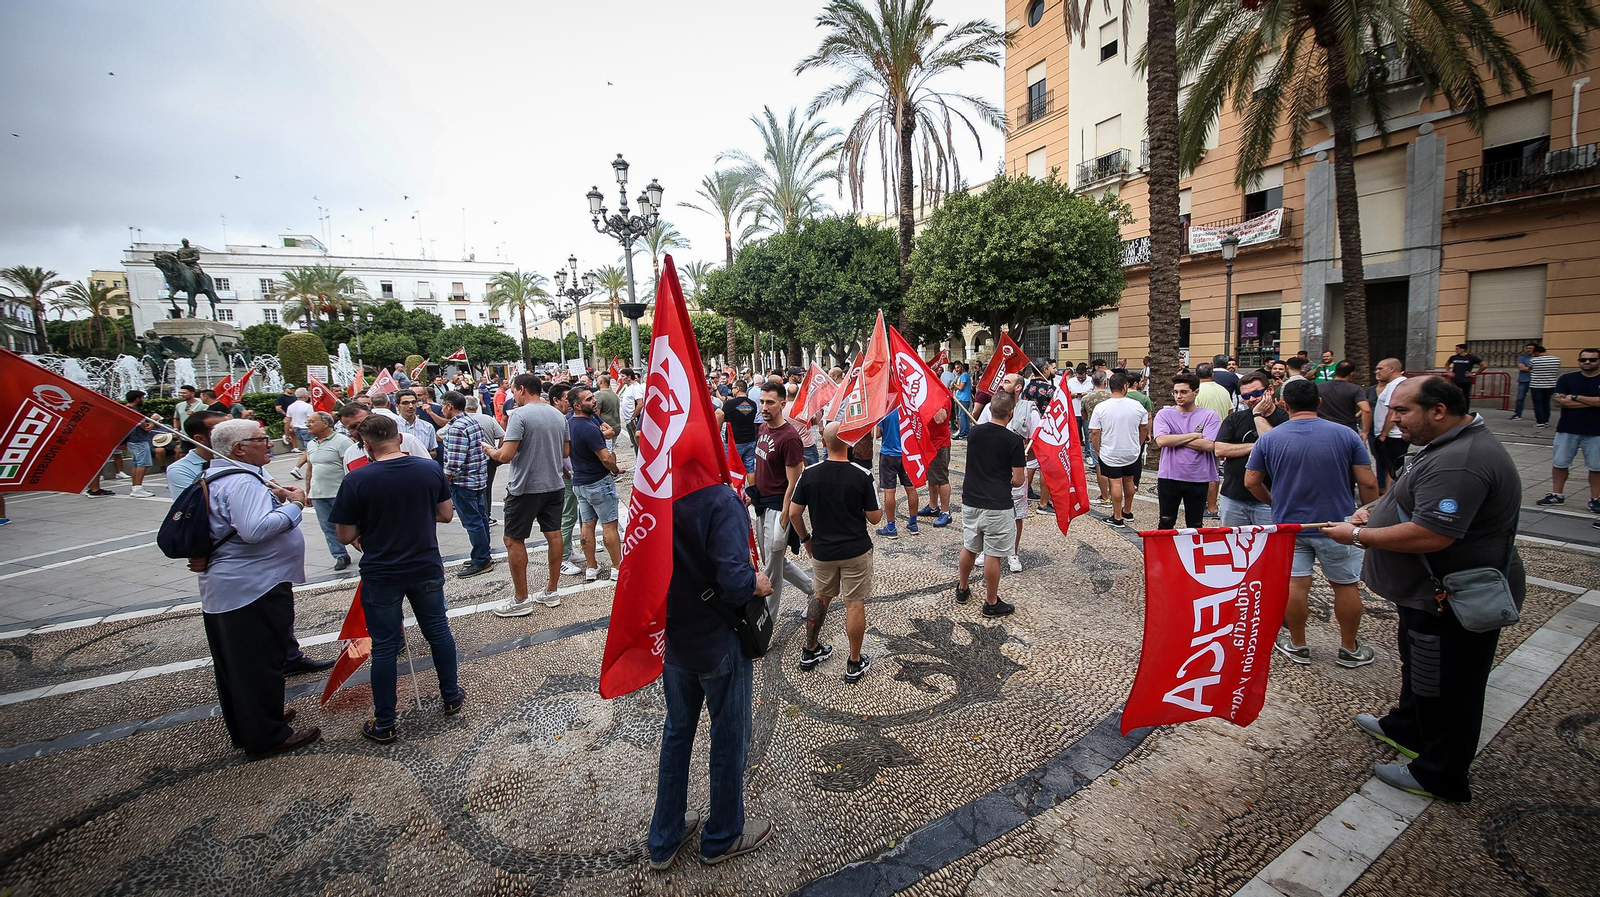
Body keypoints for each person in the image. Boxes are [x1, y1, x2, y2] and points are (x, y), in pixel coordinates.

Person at [1324, 376, 1523, 802]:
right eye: (1391, 410)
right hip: (1424, 595)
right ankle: (1408, 726)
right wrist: (1374, 509)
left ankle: (1441, 772)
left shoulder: (1462, 460)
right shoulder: (1445, 445)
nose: (1393, 421)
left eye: (1402, 411)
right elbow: (1412, 496)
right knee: (1422, 669)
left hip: (1452, 598)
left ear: (1438, 410)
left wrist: (1356, 537)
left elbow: (1433, 533)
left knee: (1452, 686)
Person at [646, 479, 775, 871]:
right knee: (728, 736)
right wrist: (758, 581)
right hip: (718, 644)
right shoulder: (720, 501)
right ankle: (722, 835)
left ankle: (664, 838)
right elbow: (736, 584)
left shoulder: (654, 496)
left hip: (675, 642)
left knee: (677, 733)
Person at [331, 414, 465, 742]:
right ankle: (450, 695)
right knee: (438, 631)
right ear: (400, 437)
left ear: (366, 445)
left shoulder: (357, 480)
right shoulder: (429, 468)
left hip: (382, 571)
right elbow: (446, 514)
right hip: (425, 565)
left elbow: (345, 534)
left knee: (386, 647)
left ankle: (386, 721)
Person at [193, 419, 321, 760]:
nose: (269, 443)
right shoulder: (240, 481)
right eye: (261, 439)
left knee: (238, 664)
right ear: (238, 448)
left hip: (233, 586)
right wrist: (294, 506)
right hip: (252, 587)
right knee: (261, 661)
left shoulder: (216, 476)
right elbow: (254, 530)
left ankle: (253, 722)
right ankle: (266, 734)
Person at [1246, 379, 1379, 667]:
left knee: (1295, 585)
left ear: (1285, 405)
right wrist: (1366, 512)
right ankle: (1349, 648)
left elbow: (1251, 481)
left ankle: (1298, 644)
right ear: (1319, 403)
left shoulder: (1270, 438)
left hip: (1290, 525)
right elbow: (1368, 481)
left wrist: (1273, 502)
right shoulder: (1346, 435)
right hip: (1339, 524)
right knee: (1345, 585)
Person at [788, 421, 883, 680]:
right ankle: (854, 662)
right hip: (855, 550)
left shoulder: (809, 474)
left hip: (823, 550)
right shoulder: (861, 475)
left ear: (823, 443)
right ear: (849, 444)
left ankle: (810, 650)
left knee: (821, 596)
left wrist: (806, 539)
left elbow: (794, 513)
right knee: (854, 604)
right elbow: (875, 518)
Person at [485, 374, 569, 614]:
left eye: (513, 392)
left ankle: (521, 600)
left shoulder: (519, 415)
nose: (512, 396)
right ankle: (552, 591)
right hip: (554, 485)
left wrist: (490, 450)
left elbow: (506, 455)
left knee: (513, 539)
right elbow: (565, 451)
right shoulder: (558, 414)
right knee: (554, 536)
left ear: (522, 389)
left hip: (525, 488)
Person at [956, 390, 1026, 617]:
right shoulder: (1014, 441)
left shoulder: (974, 433)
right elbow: (1018, 480)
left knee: (970, 546)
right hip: (998, 503)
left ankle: (963, 588)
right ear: (1011, 413)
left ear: (991, 410)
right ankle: (991, 602)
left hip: (972, 499)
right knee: (993, 554)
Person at [752, 381, 817, 612]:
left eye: (770, 402)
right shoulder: (762, 428)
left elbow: (795, 481)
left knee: (771, 568)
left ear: (783, 403)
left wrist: (786, 514)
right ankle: (813, 590)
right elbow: (761, 468)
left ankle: (766, 625)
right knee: (775, 561)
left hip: (778, 508)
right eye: (761, 402)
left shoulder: (789, 438)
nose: (764, 407)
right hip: (761, 505)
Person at [979, 372, 1039, 573]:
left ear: (1019, 387)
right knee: (987, 511)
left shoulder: (1030, 410)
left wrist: (1021, 456)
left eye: (1007, 381)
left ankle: (1013, 552)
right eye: (1002, 380)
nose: (1002, 384)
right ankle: (985, 550)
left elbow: (1035, 438)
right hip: (991, 471)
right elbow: (981, 432)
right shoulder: (990, 407)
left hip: (1015, 471)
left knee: (1016, 514)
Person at [1212, 372, 1288, 527]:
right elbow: (1220, 449)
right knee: (1233, 545)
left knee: (1269, 547)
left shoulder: (1285, 418)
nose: (1252, 399)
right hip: (1233, 497)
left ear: (1270, 390)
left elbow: (1275, 448)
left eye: (1257, 393)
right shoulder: (1235, 419)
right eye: (1246, 396)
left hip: (1270, 498)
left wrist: (1258, 415)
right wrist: (1256, 446)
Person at [568, 385, 624, 581]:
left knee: (587, 525)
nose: (594, 401)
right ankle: (617, 566)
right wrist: (616, 469)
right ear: (577, 405)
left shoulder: (571, 422)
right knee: (609, 525)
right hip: (598, 481)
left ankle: (591, 566)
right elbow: (606, 459)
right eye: (589, 399)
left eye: (592, 397)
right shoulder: (588, 428)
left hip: (580, 482)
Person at [1152, 374, 1221, 530]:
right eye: (1175, 392)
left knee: (1195, 524)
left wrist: (1175, 438)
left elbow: (1208, 445)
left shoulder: (1209, 416)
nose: (1178, 396)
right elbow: (1162, 441)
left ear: (1196, 392)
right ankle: (1165, 554)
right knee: (1166, 522)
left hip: (1198, 477)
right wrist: (1194, 435)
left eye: (1184, 392)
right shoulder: (1165, 414)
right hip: (1169, 476)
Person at [1538, 348, 1600, 510]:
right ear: (1579, 361)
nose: (1587, 362)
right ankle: (1557, 495)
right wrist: (1591, 402)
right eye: (1583, 360)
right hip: (1567, 428)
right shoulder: (1567, 379)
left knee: (1596, 466)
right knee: (1560, 463)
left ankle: (1595, 498)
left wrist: (1574, 397)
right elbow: (1558, 402)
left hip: (1596, 430)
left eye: (1592, 360)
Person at [440, 391, 494, 577]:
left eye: (443, 406)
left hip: (464, 482)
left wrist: (445, 479)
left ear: (449, 406)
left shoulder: (457, 427)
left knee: (473, 522)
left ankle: (481, 559)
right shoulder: (472, 421)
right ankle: (483, 555)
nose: (442, 410)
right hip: (478, 479)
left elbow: (454, 462)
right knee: (480, 519)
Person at [1088, 373, 1150, 528]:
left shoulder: (1101, 407)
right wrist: (1139, 444)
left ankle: (1117, 516)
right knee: (1129, 480)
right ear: (1125, 387)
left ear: (1109, 386)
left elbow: (1094, 432)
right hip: (1131, 450)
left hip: (1110, 451)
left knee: (1115, 482)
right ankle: (1127, 511)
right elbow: (1144, 428)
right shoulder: (1137, 406)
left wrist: (1097, 450)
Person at [302, 411, 355, 571]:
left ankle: (366, 548)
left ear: (325, 423)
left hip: (339, 492)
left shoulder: (342, 442)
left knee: (352, 524)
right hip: (319, 494)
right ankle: (339, 555)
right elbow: (310, 469)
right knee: (327, 527)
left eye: (312, 421)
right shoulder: (311, 444)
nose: (308, 425)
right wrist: (308, 491)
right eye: (308, 421)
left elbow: (350, 468)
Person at [337, 404, 431, 470]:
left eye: (363, 423)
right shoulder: (350, 454)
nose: (360, 429)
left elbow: (429, 472)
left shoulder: (408, 441)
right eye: (353, 427)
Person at [874, 407, 920, 538]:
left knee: (889, 490)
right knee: (911, 488)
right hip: (908, 453)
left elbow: (876, 434)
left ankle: (891, 526)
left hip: (888, 454)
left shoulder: (885, 408)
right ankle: (913, 523)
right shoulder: (909, 406)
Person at [463, 396, 506, 525]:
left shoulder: (461, 421)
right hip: (488, 458)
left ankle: (477, 515)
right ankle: (486, 515)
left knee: (470, 489)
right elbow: (502, 435)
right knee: (487, 487)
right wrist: (498, 451)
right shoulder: (487, 419)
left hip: (468, 460)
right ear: (477, 407)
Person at [165, 410, 230, 495]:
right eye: (224, 432)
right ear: (200, 439)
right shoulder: (181, 470)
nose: (234, 435)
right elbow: (194, 505)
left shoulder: (242, 457)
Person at [1371, 358, 1410, 495]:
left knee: (1392, 468)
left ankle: (1391, 496)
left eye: (1380, 368)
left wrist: (1383, 434)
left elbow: (1392, 411)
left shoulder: (1395, 385)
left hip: (1392, 436)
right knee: (1390, 467)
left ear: (1392, 369)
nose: (1377, 372)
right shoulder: (1394, 384)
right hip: (1390, 435)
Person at [915, 397, 955, 527]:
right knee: (932, 476)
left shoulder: (941, 397)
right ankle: (933, 506)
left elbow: (940, 418)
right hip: (928, 442)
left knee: (941, 477)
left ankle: (945, 511)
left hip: (939, 443)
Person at [120, 390, 159, 498]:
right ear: (137, 398)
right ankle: (137, 488)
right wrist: (153, 421)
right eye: (142, 398)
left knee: (136, 463)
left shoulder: (125, 409)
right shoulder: (134, 412)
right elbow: (146, 427)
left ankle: (136, 487)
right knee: (142, 464)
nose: (143, 400)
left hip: (132, 440)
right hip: (139, 440)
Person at [1317, 361, 1372, 435]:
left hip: (1323, 428)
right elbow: (1366, 410)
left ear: (1335, 371)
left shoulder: (1319, 387)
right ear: (1351, 374)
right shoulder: (1355, 389)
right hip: (1347, 429)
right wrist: (1365, 432)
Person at [718, 379, 760, 475]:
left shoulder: (729, 404)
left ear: (737, 389)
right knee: (750, 468)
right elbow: (745, 414)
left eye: (733, 388)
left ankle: (735, 490)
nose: (731, 391)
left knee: (733, 470)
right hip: (750, 439)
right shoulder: (753, 404)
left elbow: (722, 417)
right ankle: (751, 489)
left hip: (734, 442)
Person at [395, 390, 440, 460]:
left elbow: (433, 452)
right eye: (405, 403)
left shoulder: (428, 427)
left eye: (413, 402)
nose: (410, 406)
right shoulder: (391, 427)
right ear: (397, 406)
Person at [1527, 344, 1563, 428]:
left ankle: (1540, 422)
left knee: (1538, 403)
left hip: (1536, 385)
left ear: (1536, 352)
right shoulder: (1556, 359)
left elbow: (1530, 369)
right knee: (1546, 403)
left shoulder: (1534, 360)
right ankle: (1546, 420)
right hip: (1551, 384)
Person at [619, 369, 647, 452]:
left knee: (638, 442)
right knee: (634, 443)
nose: (621, 378)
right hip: (629, 420)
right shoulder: (628, 387)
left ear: (629, 377)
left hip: (634, 420)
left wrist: (633, 417)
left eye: (623, 376)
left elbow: (640, 404)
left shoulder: (636, 388)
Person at [594, 374, 622, 454]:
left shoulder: (599, 395)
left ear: (600, 382)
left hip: (606, 428)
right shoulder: (614, 394)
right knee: (611, 450)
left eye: (597, 381)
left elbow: (596, 414)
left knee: (607, 452)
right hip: (616, 426)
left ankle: (610, 466)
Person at [1511, 342, 1537, 420]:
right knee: (1520, 398)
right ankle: (1517, 414)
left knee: (1536, 399)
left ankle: (1539, 416)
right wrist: (1532, 369)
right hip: (1523, 380)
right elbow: (1521, 368)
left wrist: (1528, 368)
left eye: (1531, 348)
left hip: (1536, 380)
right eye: (1527, 348)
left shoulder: (1538, 358)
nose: (1528, 350)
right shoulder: (1522, 358)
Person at [953, 363, 974, 439]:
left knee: (962, 416)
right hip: (961, 398)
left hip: (964, 399)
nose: (956, 369)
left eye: (958, 367)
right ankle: (966, 432)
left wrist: (954, 385)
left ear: (962, 367)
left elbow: (961, 387)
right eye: (955, 368)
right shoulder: (960, 376)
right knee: (964, 416)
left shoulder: (964, 375)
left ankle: (962, 433)